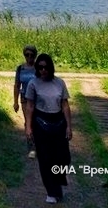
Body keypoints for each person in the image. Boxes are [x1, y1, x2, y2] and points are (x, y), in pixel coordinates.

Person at [24, 53, 72, 204]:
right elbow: (30, 106)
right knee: (45, 159)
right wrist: (28, 127)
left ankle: (58, 181)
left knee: (63, 158)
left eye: (45, 67)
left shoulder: (59, 83)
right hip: (41, 123)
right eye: (40, 67)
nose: (43, 70)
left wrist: (69, 126)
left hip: (59, 122)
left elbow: (65, 105)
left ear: (51, 68)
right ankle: (52, 192)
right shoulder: (33, 84)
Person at [13, 45, 38, 158]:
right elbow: (17, 85)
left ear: (35, 55)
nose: (29, 57)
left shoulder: (39, 68)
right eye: (27, 55)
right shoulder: (20, 69)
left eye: (31, 55)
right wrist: (15, 102)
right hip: (25, 99)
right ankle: (31, 147)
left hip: (38, 98)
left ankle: (40, 144)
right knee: (28, 121)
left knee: (37, 121)